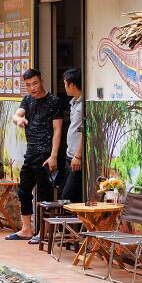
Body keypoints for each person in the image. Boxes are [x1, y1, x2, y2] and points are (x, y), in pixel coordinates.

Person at [6, 68, 63, 241]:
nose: (32, 88)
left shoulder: (54, 101)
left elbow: (57, 129)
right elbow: (16, 115)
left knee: (45, 194)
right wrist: (19, 120)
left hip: (45, 153)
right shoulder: (27, 100)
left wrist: (53, 155)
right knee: (23, 191)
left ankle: (43, 233)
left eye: (35, 83)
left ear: (41, 81)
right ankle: (26, 229)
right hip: (30, 153)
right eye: (28, 85)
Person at [61, 68, 83, 202]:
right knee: (71, 197)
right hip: (70, 156)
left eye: (65, 84)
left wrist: (78, 155)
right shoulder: (74, 103)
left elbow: (84, 131)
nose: (64, 87)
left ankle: (74, 223)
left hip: (76, 157)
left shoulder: (83, 106)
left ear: (72, 85)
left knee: (67, 196)